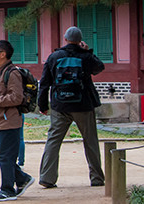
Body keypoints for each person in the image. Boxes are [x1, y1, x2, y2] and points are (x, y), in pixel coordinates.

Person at [38, 26, 105, 188]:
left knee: (53, 140)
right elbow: (99, 67)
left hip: (60, 106)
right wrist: (88, 51)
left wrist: (42, 105)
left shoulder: (54, 57)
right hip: (83, 105)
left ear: (65, 38)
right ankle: (96, 178)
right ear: (79, 40)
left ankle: (47, 177)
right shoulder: (85, 57)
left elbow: (44, 83)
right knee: (90, 141)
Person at [0, 40, 35, 202]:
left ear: (3, 54)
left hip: (9, 120)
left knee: (5, 156)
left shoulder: (12, 73)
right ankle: (22, 178)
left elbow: (16, 97)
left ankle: (7, 189)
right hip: (0, 119)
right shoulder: (0, 72)